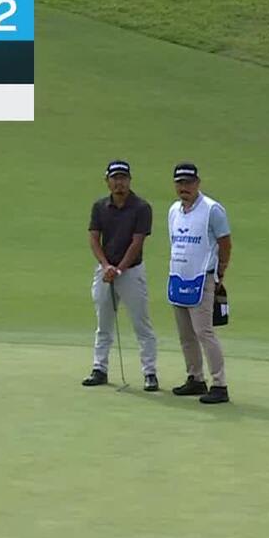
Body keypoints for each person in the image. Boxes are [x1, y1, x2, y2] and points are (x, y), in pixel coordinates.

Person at [83, 159, 159, 391]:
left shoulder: (142, 208)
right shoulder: (99, 207)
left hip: (131, 271)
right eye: (115, 178)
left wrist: (119, 269)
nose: (120, 183)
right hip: (105, 270)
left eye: (123, 178)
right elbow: (94, 238)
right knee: (103, 323)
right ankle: (99, 368)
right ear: (107, 181)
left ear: (129, 180)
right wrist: (106, 266)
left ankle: (150, 372)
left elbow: (137, 242)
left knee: (141, 324)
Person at [165, 162, 232, 404]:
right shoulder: (174, 211)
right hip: (178, 277)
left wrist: (220, 271)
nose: (184, 187)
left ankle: (219, 384)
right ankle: (195, 378)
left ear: (197, 183)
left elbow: (225, 243)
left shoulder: (212, 210)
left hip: (202, 278)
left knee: (204, 332)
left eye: (189, 183)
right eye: (180, 183)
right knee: (186, 334)